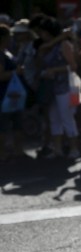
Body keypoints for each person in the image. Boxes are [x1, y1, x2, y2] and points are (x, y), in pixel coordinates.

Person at [37, 16, 80, 159]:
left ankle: (74, 147)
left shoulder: (64, 45)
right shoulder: (46, 46)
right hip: (51, 87)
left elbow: (73, 66)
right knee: (54, 118)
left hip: (65, 86)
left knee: (67, 117)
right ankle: (58, 148)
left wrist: (55, 70)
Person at [0, 24, 25, 161]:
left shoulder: (7, 53)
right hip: (3, 94)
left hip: (14, 94)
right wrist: (16, 72)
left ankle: (18, 150)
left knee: (17, 123)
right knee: (3, 125)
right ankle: (2, 152)